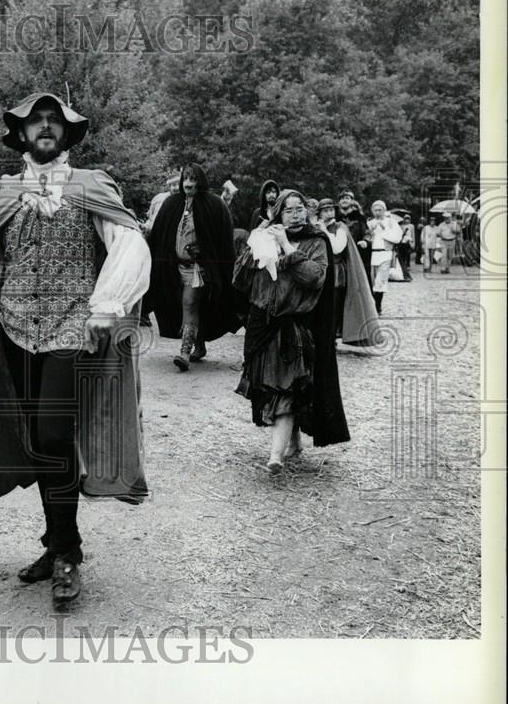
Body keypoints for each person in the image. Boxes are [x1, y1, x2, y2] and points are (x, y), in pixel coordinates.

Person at [0, 92, 150, 613]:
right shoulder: (1, 193)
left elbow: (131, 245)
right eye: (35, 122)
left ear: (67, 135)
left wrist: (105, 305)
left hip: (73, 329)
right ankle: (58, 541)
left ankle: (66, 553)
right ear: (20, 135)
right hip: (15, 330)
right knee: (39, 442)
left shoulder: (93, 186)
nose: (45, 128)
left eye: (54, 121)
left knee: (52, 432)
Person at [233, 190, 349, 473]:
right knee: (275, 387)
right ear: (277, 213)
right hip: (263, 322)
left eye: (299, 208)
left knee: (283, 386)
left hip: (295, 325)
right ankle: (293, 441)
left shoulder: (316, 241)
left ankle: (275, 456)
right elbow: (240, 279)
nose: (295, 213)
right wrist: (253, 245)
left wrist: (286, 245)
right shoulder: (265, 237)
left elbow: (314, 278)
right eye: (288, 209)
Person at [144, 163, 239, 370]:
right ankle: (200, 345)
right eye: (186, 178)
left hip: (198, 268)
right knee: (185, 304)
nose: (188, 183)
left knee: (189, 302)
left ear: (200, 181)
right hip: (174, 268)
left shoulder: (213, 204)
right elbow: (159, 234)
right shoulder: (171, 204)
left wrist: (205, 253)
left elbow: (222, 238)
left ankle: (184, 353)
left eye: (193, 179)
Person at [315, 198, 380, 346]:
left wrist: (324, 231)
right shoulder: (316, 226)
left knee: (334, 306)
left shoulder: (340, 227)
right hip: (320, 270)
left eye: (331, 209)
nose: (329, 213)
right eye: (325, 210)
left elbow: (337, 247)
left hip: (337, 271)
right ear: (319, 213)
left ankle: (331, 339)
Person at [365, 200, 403, 313]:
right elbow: (366, 237)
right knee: (372, 280)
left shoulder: (391, 222)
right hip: (372, 254)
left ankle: (378, 306)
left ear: (384, 210)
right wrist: (371, 232)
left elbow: (397, 237)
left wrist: (384, 229)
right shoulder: (370, 223)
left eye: (380, 210)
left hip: (385, 253)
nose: (377, 212)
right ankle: (372, 304)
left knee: (380, 281)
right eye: (375, 210)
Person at [395, 211, 415, 282]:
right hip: (403, 241)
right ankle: (404, 265)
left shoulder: (412, 226)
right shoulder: (401, 226)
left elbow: (413, 234)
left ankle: (408, 264)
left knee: (408, 253)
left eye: (408, 219)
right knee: (403, 253)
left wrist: (413, 243)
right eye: (406, 219)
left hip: (409, 241)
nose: (407, 220)